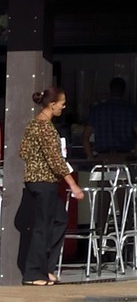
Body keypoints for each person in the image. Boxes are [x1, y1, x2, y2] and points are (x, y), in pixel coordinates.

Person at [17, 89, 85, 286]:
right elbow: (56, 160)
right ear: (52, 104)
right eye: (62, 103)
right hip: (43, 180)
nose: (64, 107)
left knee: (59, 220)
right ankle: (33, 273)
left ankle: (45, 267)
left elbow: (23, 151)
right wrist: (74, 186)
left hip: (35, 180)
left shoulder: (32, 124)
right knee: (42, 226)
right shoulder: (45, 128)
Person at [87, 77, 137, 163]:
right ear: (124, 91)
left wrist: (91, 158)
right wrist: (135, 157)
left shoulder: (98, 110)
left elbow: (85, 136)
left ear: (109, 90)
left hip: (102, 158)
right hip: (124, 157)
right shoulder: (131, 110)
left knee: (102, 176)